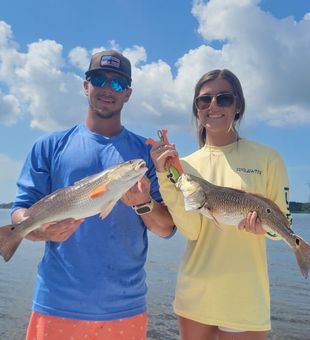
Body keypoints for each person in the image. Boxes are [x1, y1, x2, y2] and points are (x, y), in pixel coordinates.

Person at [11, 49, 175, 340]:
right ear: (86, 85)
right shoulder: (48, 145)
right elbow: (22, 208)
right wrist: (38, 230)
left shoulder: (147, 154)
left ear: (128, 93)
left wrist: (143, 204)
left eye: (117, 84)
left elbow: (166, 228)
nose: (107, 89)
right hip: (56, 302)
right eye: (99, 79)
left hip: (126, 308)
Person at [150, 69, 291, 340]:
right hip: (195, 296)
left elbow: (283, 225)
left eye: (223, 99)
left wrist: (267, 230)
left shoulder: (269, 159)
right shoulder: (186, 166)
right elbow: (192, 231)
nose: (213, 106)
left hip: (245, 298)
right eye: (204, 100)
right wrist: (163, 176)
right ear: (197, 109)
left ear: (237, 106)